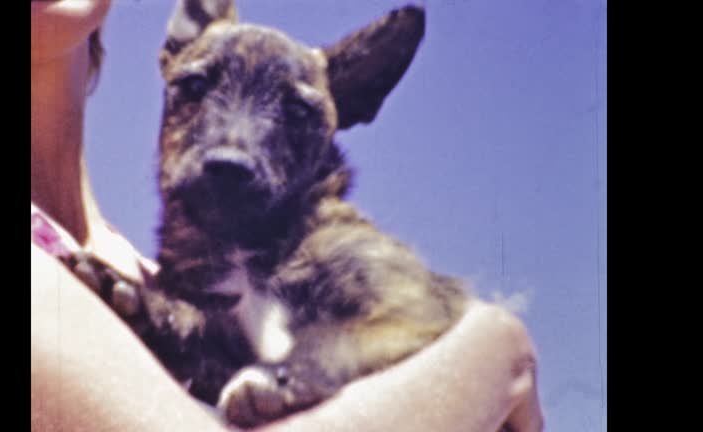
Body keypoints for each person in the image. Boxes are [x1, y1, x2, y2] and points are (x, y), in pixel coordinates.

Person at [30, 1, 545, 430]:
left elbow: (411, 320)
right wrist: (499, 351)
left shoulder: (146, 277)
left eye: (294, 114)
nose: (233, 146)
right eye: (197, 89)